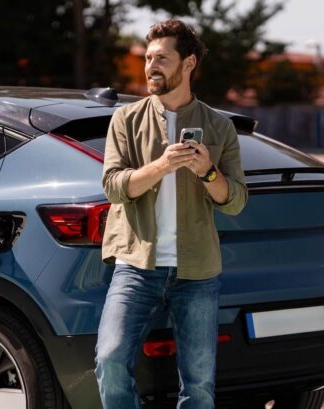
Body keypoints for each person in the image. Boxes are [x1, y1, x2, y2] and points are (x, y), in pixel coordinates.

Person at [95, 19, 249, 409]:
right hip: (136, 264)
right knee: (110, 360)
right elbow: (113, 186)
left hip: (197, 271)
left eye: (161, 58)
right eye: (148, 58)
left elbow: (235, 201)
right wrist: (161, 166)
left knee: (199, 385)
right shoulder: (125, 121)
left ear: (188, 64)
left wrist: (207, 172)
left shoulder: (219, 125)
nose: (150, 67)